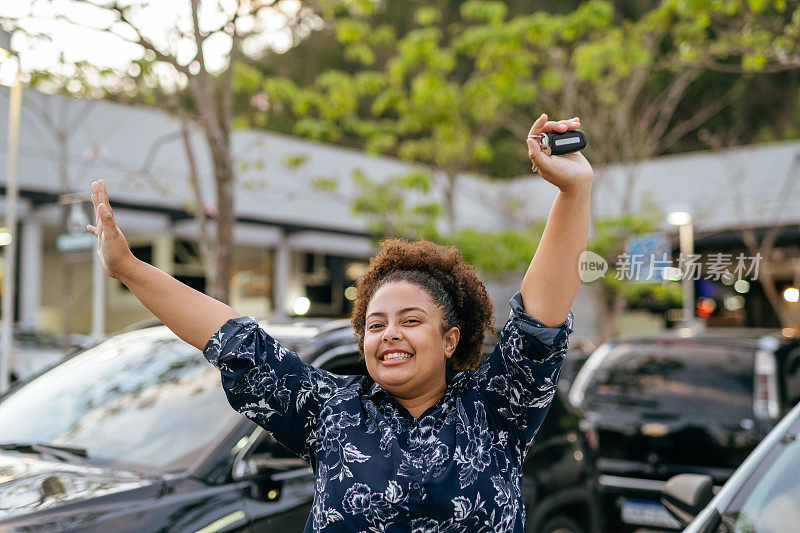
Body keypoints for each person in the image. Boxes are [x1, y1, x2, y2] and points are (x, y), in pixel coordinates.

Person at [87, 113, 592, 532]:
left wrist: (573, 193)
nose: (389, 334)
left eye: (410, 320)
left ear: (449, 339)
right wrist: (128, 268)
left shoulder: (496, 409)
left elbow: (538, 321)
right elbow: (233, 339)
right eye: (375, 325)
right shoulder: (331, 412)